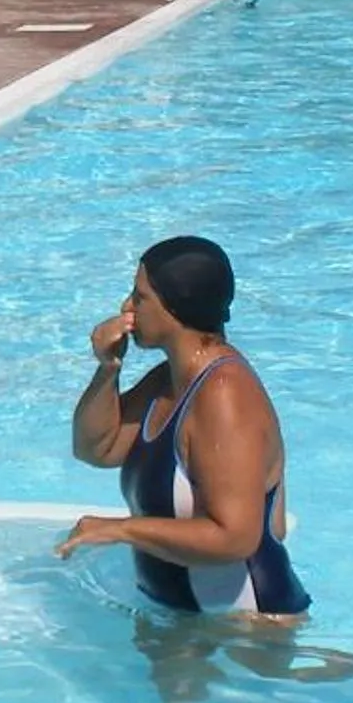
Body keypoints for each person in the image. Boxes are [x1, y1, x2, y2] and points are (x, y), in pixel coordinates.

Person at [57, 235, 311, 618]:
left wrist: (122, 529)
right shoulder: (169, 379)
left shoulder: (224, 395)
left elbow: (235, 537)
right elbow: (96, 448)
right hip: (187, 620)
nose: (127, 307)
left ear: (175, 306)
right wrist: (108, 369)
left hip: (249, 627)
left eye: (140, 297)